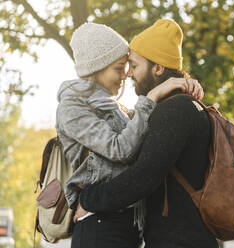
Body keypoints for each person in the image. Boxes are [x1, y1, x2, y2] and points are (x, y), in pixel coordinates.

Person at [55, 23, 203, 248]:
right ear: (97, 68)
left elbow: (149, 145)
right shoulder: (72, 107)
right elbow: (120, 149)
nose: (126, 75)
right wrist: (152, 97)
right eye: (119, 68)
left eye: (128, 66)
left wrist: (183, 82)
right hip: (98, 224)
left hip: (127, 226)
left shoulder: (118, 110)